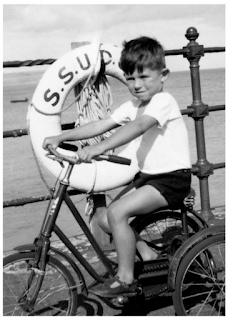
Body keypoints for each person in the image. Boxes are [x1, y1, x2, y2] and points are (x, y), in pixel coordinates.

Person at [43, 36, 191, 298]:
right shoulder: (132, 105)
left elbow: (138, 127)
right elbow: (101, 124)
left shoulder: (163, 101)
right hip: (148, 178)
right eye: (130, 78)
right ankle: (146, 252)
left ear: (163, 74)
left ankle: (126, 278)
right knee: (103, 218)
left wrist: (99, 148)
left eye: (143, 77)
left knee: (118, 211)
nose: (136, 85)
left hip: (171, 180)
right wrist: (62, 137)